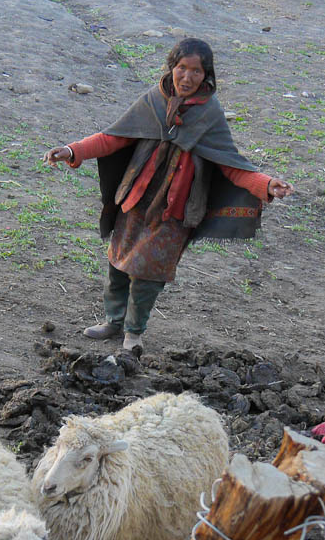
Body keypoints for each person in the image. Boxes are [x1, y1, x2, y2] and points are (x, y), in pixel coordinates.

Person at [43, 38, 294, 352]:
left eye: (196, 71)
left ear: (207, 75)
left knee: (149, 274)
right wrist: (72, 150)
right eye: (182, 68)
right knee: (118, 264)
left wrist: (266, 184)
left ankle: (134, 333)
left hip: (176, 211)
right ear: (171, 68)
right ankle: (113, 321)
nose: (187, 77)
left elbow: (231, 165)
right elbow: (113, 138)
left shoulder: (210, 114)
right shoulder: (154, 100)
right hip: (135, 199)